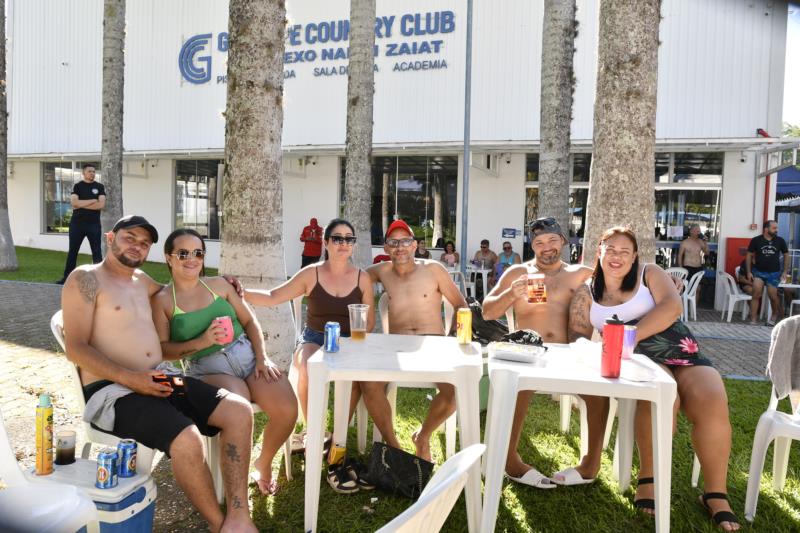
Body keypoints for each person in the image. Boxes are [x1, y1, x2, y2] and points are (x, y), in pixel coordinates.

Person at [61, 215, 257, 533]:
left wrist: (223, 283)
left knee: (238, 411)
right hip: (115, 390)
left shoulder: (143, 281)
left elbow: (184, 288)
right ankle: (220, 526)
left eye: (144, 242)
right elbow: (76, 348)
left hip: (159, 378)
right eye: (129, 238)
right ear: (110, 237)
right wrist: (130, 378)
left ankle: (239, 515)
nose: (137, 245)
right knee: (187, 439)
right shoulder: (86, 279)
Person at [568, 226, 739, 531]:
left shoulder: (650, 273)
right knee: (662, 396)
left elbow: (672, 307)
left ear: (635, 255)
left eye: (625, 251)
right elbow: (577, 341)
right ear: (599, 251)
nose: (617, 256)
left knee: (712, 397)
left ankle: (715, 493)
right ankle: (649, 477)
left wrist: (629, 336)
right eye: (611, 249)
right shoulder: (586, 293)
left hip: (680, 348)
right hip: (637, 360)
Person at [151, 228, 297, 496]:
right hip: (208, 367)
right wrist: (204, 341)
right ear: (168, 258)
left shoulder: (219, 285)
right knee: (239, 409)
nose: (191, 259)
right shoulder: (163, 301)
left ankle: (263, 462)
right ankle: (231, 484)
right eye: (183, 253)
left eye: (198, 253)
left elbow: (249, 321)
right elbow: (164, 350)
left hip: (248, 357)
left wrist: (262, 357)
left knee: (287, 409)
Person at [243, 218, 375, 493]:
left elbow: (369, 323)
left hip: (349, 340)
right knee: (306, 364)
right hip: (315, 337)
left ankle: (337, 438)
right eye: (337, 238)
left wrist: (356, 336)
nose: (343, 244)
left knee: (353, 379)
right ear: (326, 243)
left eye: (349, 239)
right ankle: (314, 431)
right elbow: (273, 296)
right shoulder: (311, 274)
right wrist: (239, 292)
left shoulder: (362, 278)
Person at [482, 217, 592, 489]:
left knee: (599, 391)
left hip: (569, 355)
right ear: (532, 246)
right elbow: (487, 311)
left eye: (552, 240)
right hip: (528, 353)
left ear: (563, 241)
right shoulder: (518, 272)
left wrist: (665, 282)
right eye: (539, 242)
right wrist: (511, 293)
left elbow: (622, 283)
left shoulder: (581, 273)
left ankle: (591, 463)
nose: (546, 247)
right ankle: (509, 460)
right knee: (514, 385)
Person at [365, 220, 468, 461]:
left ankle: (422, 436)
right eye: (393, 242)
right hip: (396, 346)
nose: (399, 247)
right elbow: (353, 278)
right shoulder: (381, 271)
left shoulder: (433, 269)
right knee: (368, 384)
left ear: (414, 245)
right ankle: (395, 449)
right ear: (386, 248)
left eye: (405, 241)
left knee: (455, 393)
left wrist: (452, 339)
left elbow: (461, 305)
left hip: (433, 343)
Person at [57, 163, 106, 284]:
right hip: (77, 224)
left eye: (94, 171)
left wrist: (81, 204)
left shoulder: (99, 187)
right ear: (83, 173)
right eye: (90, 171)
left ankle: (100, 280)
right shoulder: (77, 186)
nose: (92, 173)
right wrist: (92, 200)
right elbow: (74, 203)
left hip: (93, 225)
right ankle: (67, 279)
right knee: (73, 251)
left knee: (96, 252)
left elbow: (101, 205)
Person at [745, 220, 790, 326]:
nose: (776, 230)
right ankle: (753, 319)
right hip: (758, 272)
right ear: (766, 229)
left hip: (774, 273)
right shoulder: (756, 240)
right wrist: (748, 272)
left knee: (773, 296)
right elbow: (749, 255)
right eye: (774, 228)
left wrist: (784, 271)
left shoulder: (780, 241)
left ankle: (774, 315)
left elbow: (786, 255)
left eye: (777, 228)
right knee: (756, 294)